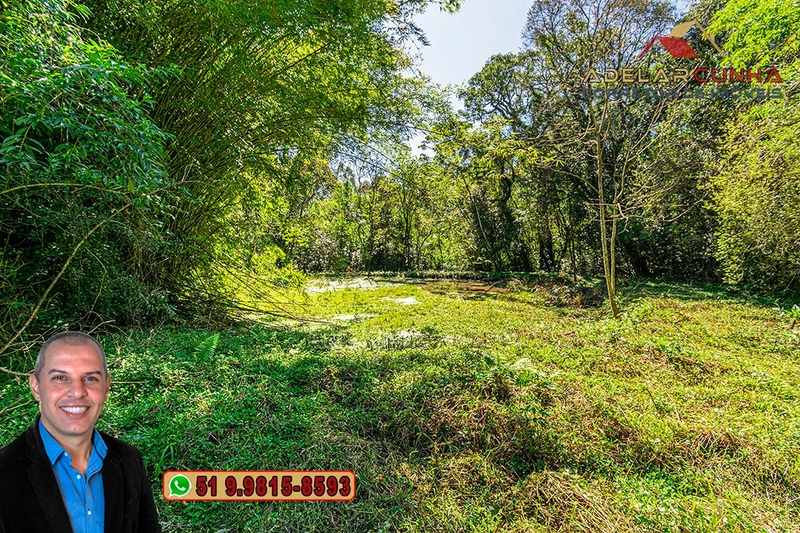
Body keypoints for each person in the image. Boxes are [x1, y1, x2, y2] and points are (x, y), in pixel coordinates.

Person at [0, 331, 161, 533]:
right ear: (36, 386)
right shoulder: (4, 470)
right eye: (60, 377)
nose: (77, 392)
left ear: (106, 387)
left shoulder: (129, 460)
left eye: (90, 378)